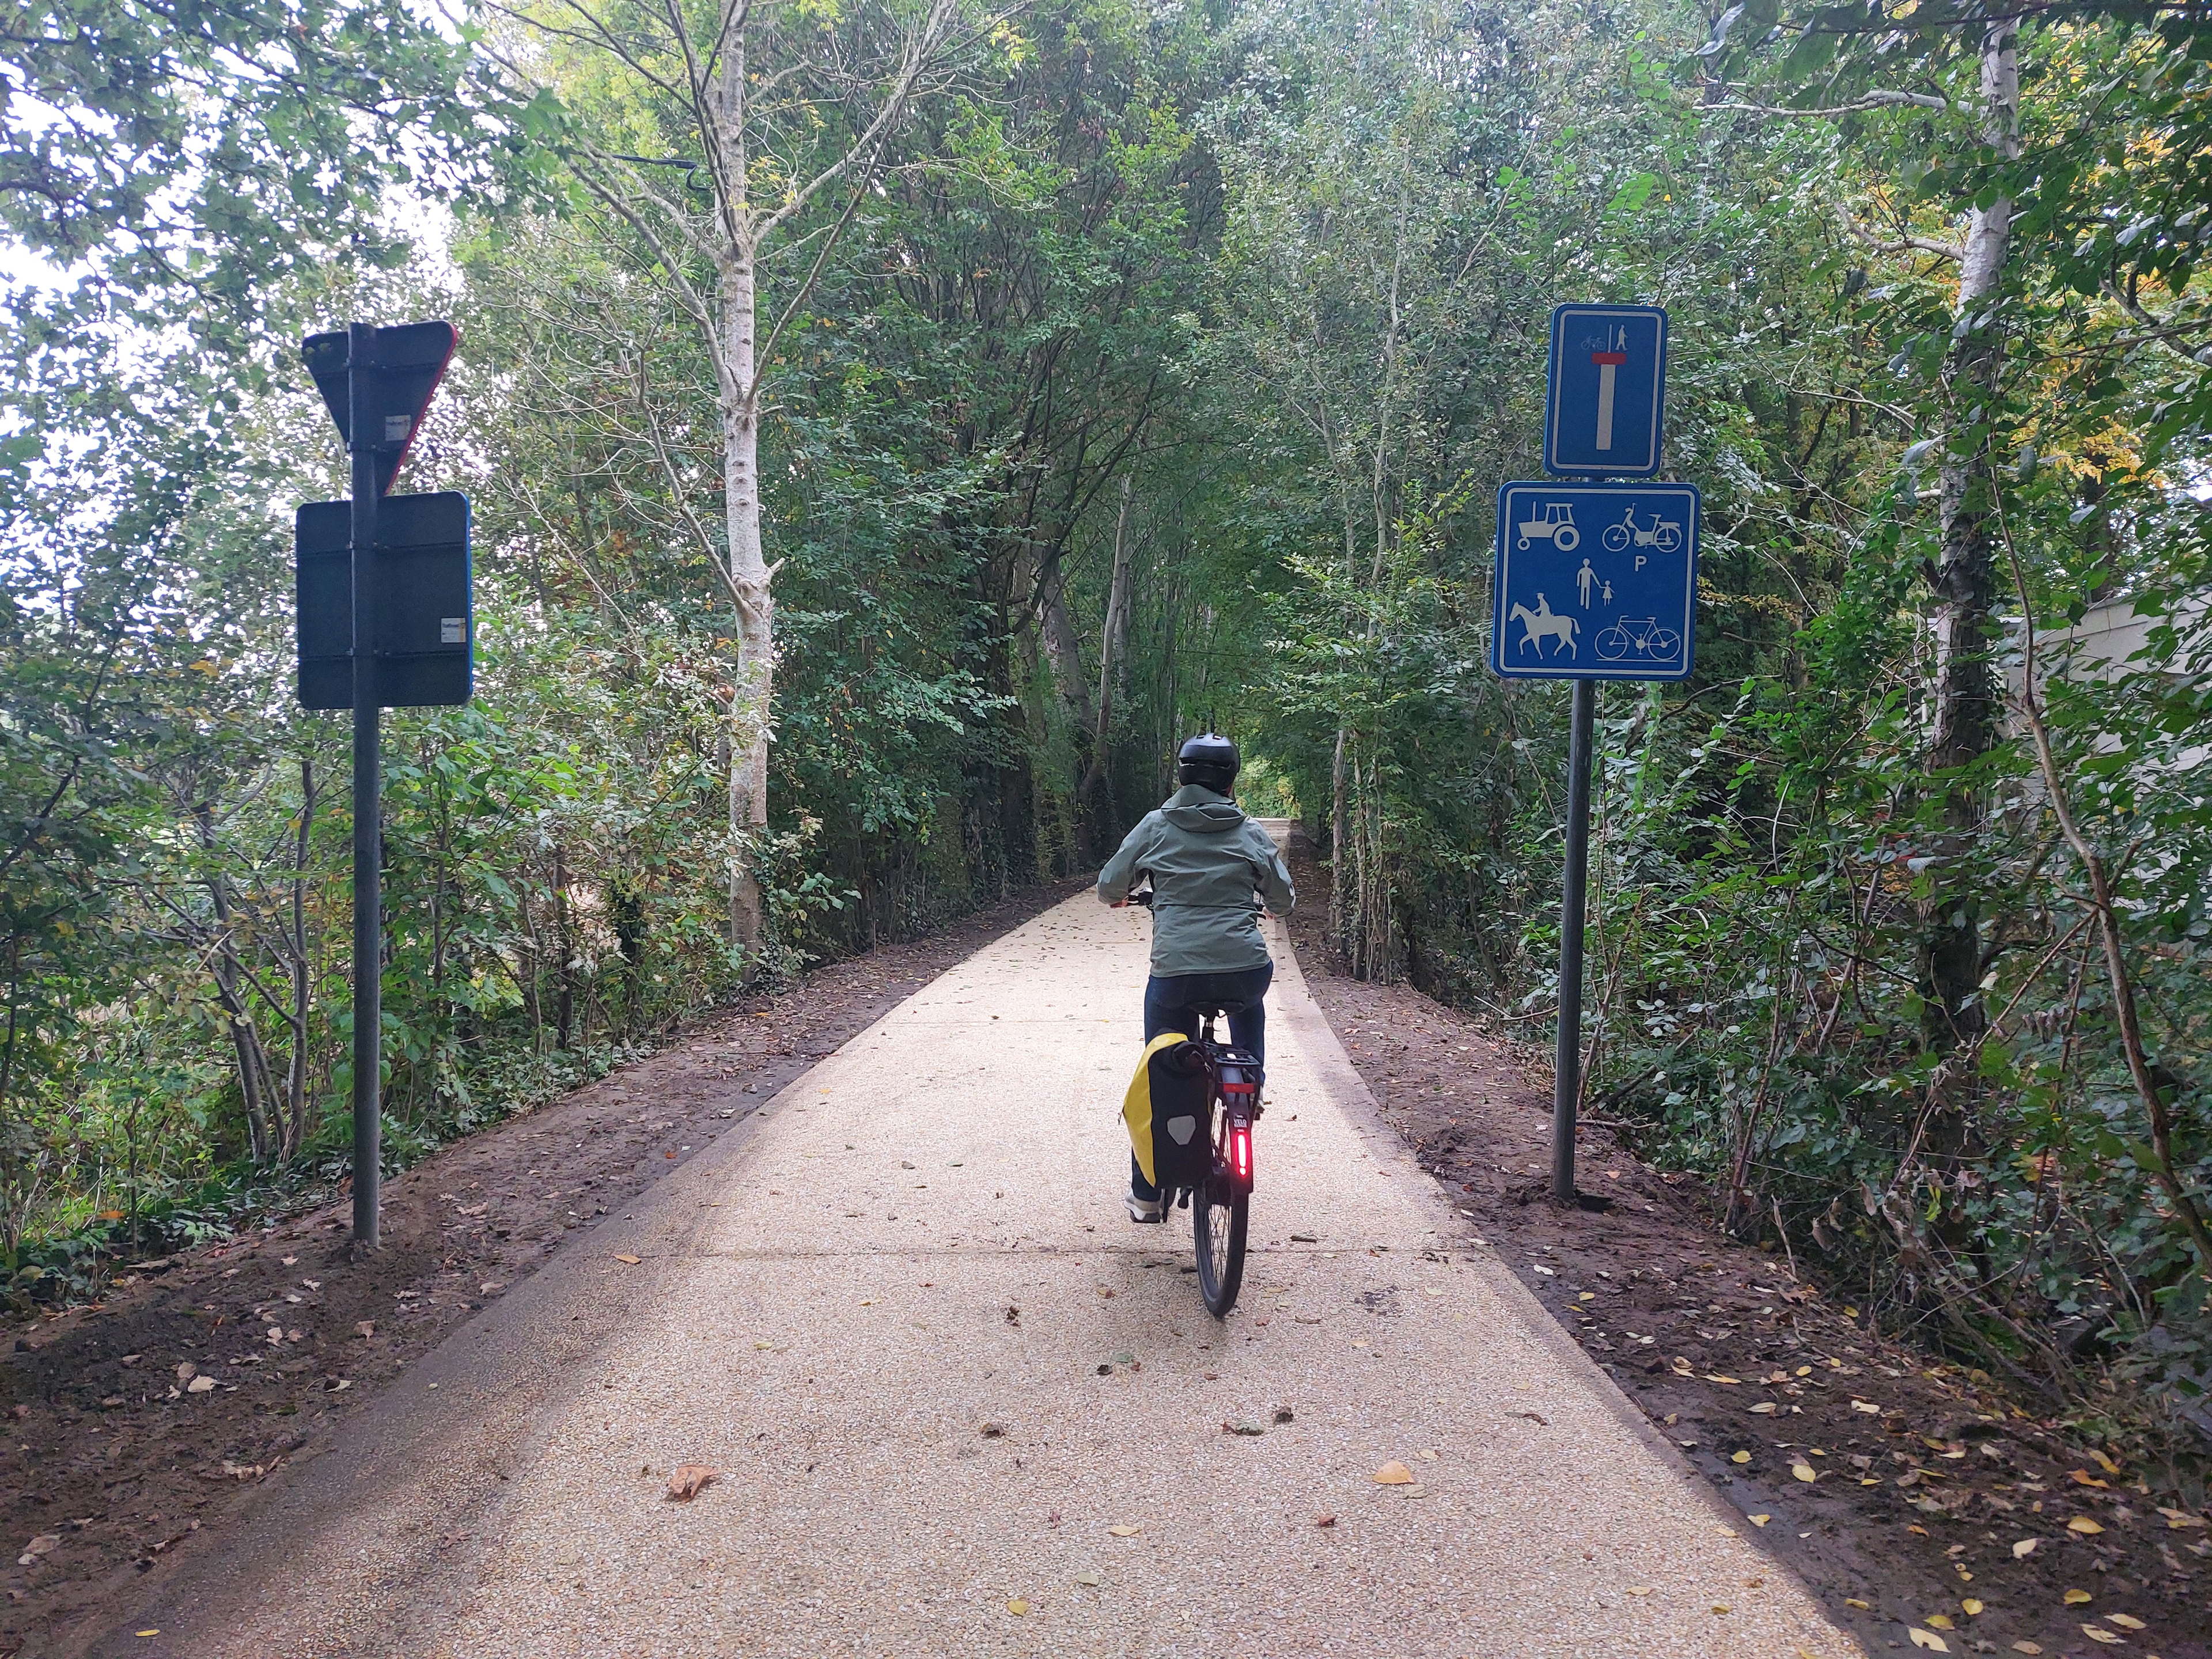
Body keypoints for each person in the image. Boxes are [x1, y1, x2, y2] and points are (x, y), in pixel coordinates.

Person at [1097, 733, 1295, 1222]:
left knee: (1162, 1066)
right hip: (1243, 968)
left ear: (1182, 775)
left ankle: (1147, 1194)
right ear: (1232, 779)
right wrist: (1267, 905)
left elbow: (1109, 886)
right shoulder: (1249, 831)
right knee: (1250, 1001)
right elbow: (1284, 898)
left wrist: (1128, 895)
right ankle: (1251, 1085)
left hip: (1176, 975)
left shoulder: (1156, 826)